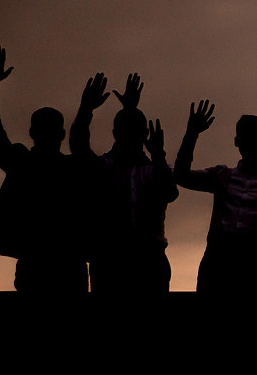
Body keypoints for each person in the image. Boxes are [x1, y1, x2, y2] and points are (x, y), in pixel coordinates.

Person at [0, 45, 88, 293]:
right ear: (61, 134)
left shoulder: (22, 163)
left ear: (31, 133)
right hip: (66, 263)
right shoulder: (73, 168)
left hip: (39, 261)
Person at [173, 102, 257, 293]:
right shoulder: (222, 175)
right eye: (245, 137)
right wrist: (191, 134)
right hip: (216, 263)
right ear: (237, 141)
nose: (249, 142)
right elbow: (181, 177)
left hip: (250, 266)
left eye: (253, 137)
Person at [70, 71, 177, 293]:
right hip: (114, 259)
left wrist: (87, 108)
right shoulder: (107, 167)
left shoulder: (151, 168)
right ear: (147, 134)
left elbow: (169, 193)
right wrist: (86, 109)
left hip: (140, 260)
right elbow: (78, 147)